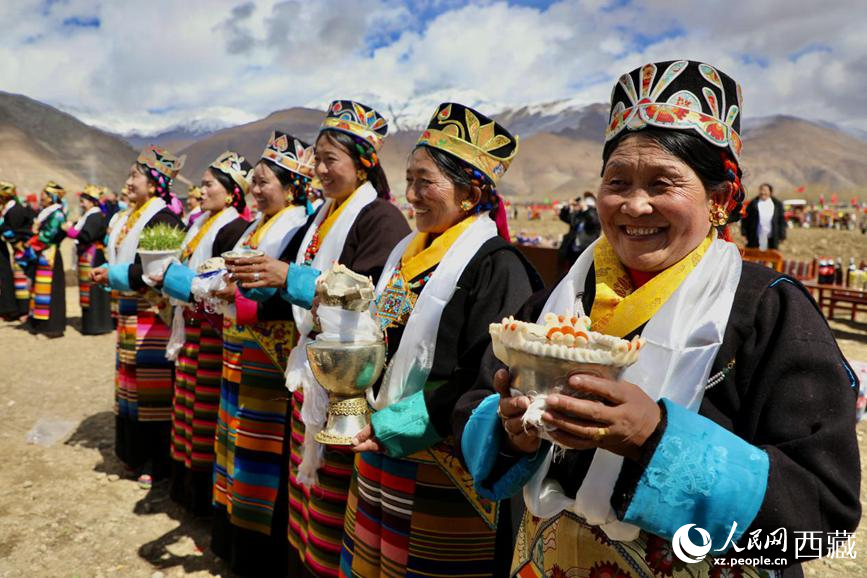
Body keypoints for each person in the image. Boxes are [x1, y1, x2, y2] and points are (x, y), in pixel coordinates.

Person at [455, 60, 861, 577]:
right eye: (618, 181)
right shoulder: (556, 304)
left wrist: (655, 437)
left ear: (718, 200)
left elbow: (822, 512)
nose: (635, 205)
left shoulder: (767, 309)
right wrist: (513, 433)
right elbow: (474, 404)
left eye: (663, 183)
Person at [337, 102, 542, 577]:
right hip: (380, 443)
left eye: (424, 182)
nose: (410, 195)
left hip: (440, 464)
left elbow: (490, 374)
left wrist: (404, 423)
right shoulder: (406, 253)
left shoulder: (498, 266)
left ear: (470, 192)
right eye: (407, 179)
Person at [228, 100, 411, 577]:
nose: (320, 169)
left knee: (330, 503)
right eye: (319, 157)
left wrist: (291, 278)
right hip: (311, 371)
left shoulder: (381, 220)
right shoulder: (325, 214)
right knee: (304, 500)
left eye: (332, 159)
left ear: (364, 163)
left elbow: (368, 301)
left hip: (344, 382)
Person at [206, 132, 321, 575]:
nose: (255, 189)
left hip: (270, 358)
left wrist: (242, 298)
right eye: (252, 181)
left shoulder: (295, 227)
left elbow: (285, 293)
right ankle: (236, 539)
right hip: (242, 351)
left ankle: (259, 554)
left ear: (292, 186)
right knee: (237, 442)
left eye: (264, 181)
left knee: (262, 453)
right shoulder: (258, 225)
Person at [157, 151, 253, 516]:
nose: (201, 189)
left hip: (210, 331)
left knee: (203, 410)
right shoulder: (203, 223)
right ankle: (183, 487)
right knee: (185, 405)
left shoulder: (230, 229)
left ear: (231, 194)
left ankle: (198, 495)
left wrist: (182, 284)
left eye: (209, 184)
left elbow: (218, 284)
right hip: (191, 327)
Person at [91, 145, 186, 488]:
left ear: (156, 182)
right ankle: (132, 452)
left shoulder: (165, 219)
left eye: (135, 176)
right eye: (130, 174)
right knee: (129, 387)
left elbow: (155, 274)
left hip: (152, 314)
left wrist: (112, 276)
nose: (128, 182)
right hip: (129, 312)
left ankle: (156, 459)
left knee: (153, 390)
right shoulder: (123, 217)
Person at [62, 185, 112, 335]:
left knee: (94, 291)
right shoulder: (91, 216)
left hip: (93, 257)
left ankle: (95, 325)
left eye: (83, 201)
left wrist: (70, 231)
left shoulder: (94, 217)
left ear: (92, 202)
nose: (82, 204)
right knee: (91, 291)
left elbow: (87, 236)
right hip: (90, 256)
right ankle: (92, 323)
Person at [23, 181, 68, 337]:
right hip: (42, 253)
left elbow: (49, 235)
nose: (41, 197)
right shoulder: (46, 212)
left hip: (50, 254)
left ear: (52, 197)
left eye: (44, 194)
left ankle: (51, 325)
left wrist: (35, 234)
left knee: (51, 290)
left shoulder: (57, 214)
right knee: (40, 289)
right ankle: (38, 321)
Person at [0, 181, 34, 321]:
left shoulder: (16, 211)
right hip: (15, 248)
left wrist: (5, 234)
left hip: (22, 249)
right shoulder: (9, 209)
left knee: (22, 278)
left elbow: (14, 231)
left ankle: (22, 310)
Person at [559, 191, 601, 262]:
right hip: (573, 251)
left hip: (586, 252)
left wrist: (585, 209)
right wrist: (567, 206)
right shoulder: (579, 215)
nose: (587, 201)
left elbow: (592, 221)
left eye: (591, 199)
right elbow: (564, 217)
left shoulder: (597, 215)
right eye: (586, 199)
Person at [742, 183, 786, 250]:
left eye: (765, 190)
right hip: (755, 237)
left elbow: (781, 221)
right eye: (761, 190)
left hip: (772, 238)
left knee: (770, 258)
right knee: (755, 257)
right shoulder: (753, 203)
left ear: (770, 192)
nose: (763, 192)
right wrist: (744, 233)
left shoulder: (777, 204)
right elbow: (745, 219)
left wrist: (782, 236)